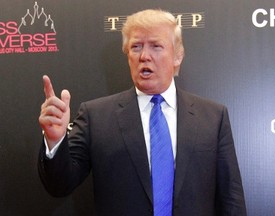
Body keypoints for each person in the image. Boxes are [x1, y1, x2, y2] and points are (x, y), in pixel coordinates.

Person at [38, 9, 247, 216]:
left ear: (178, 56)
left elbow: (231, 200)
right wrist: (55, 141)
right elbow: (59, 185)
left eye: (156, 46)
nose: (144, 56)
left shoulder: (212, 117)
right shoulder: (96, 116)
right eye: (136, 47)